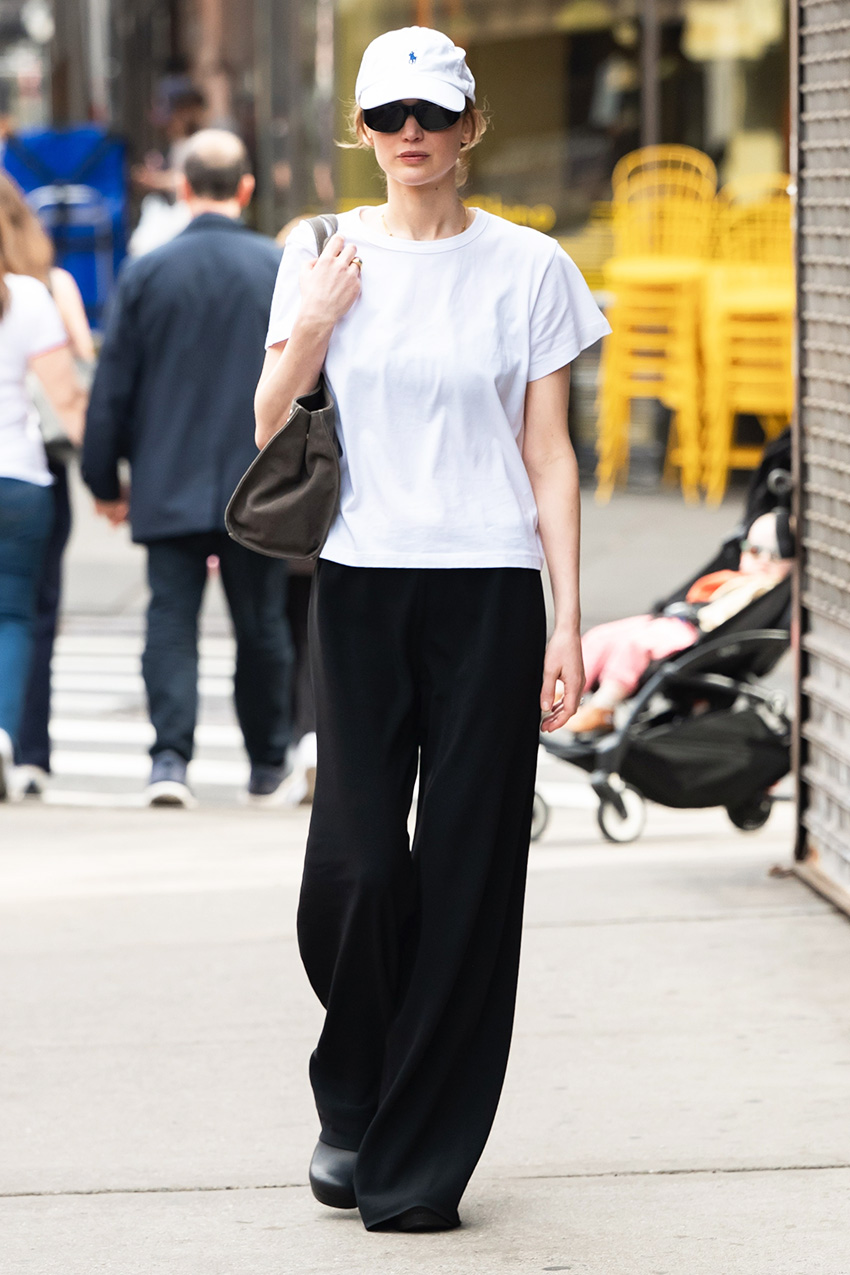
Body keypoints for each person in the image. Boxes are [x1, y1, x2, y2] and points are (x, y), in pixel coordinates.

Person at [255, 26, 611, 1232]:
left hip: (490, 590)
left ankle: (412, 1162)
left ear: (469, 128)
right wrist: (311, 324)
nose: (411, 135)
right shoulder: (319, 251)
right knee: (355, 870)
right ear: (361, 131)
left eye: (432, 114)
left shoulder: (531, 268)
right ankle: (352, 1085)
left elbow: (549, 454)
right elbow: (267, 427)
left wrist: (567, 621)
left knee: (468, 876)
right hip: (359, 583)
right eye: (389, 116)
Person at [82, 129, 293, 808]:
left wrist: (102, 478)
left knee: (170, 619)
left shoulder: (147, 272)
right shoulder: (277, 269)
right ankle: (267, 761)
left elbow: (113, 385)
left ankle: (170, 758)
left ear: (181, 187)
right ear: (246, 188)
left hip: (166, 476)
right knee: (261, 624)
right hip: (257, 480)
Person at [0, 173, 95, 798]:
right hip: (19, 476)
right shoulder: (29, 298)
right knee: (13, 617)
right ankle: (6, 741)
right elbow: (68, 397)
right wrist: (108, 476)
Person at [565, 510, 794, 735]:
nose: (757, 559)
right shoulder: (737, 578)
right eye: (750, 549)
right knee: (601, 635)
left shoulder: (761, 589)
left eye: (769, 555)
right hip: (676, 619)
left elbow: (720, 617)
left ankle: (604, 705)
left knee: (634, 646)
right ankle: (562, 692)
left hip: (694, 633)